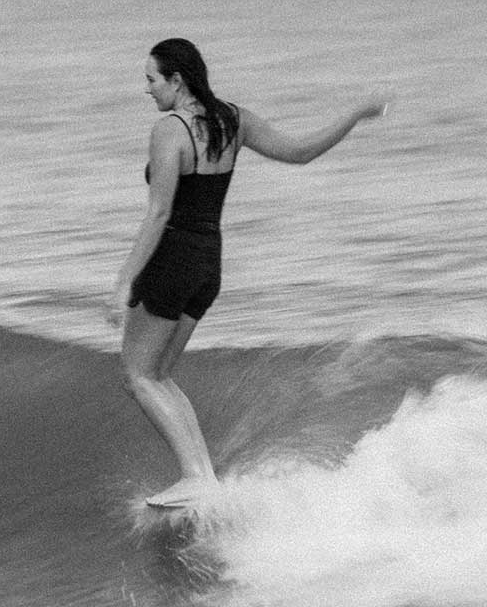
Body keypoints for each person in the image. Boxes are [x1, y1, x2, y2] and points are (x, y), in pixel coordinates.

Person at [108, 38, 388, 508]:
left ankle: (195, 476)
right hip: (208, 264)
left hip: (173, 260)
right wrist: (355, 114)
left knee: (139, 375)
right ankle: (203, 479)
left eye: (151, 80)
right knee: (161, 373)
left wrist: (123, 282)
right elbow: (301, 152)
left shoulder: (170, 130)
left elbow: (158, 214)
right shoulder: (233, 120)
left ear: (177, 80)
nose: (147, 89)